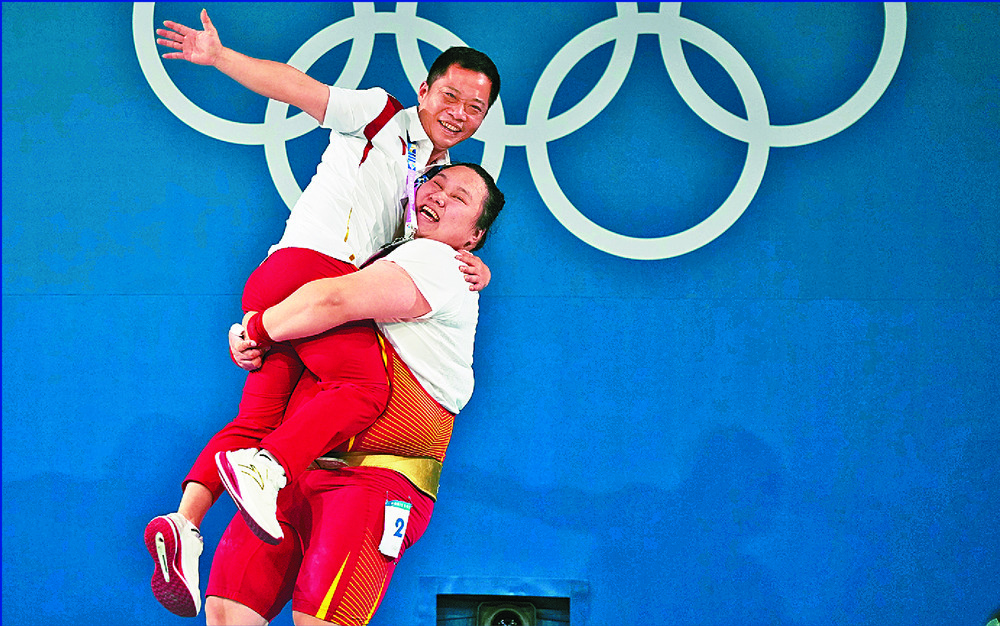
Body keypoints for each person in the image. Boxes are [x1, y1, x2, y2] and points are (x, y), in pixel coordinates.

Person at [144, 8, 501, 618]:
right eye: (450, 96)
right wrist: (219, 58)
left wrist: (480, 266)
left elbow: (437, 252)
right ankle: (268, 471)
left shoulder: (435, 183)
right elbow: (294, 87)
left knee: (259, 419)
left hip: (286, 287)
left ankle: (185, 523)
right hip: (313, 273)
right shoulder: (378, 116)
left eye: (475, 109)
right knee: (361, 388)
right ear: (425, 89)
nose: (459, 114)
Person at [214, 162, 502, 625]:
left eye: (460, 198)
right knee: (229, 614)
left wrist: (254, 327)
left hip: (372, 482)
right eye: (437, 183)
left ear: (473, 239)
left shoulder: (439, 263)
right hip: (293, 469)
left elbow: (330, 302)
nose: (440, 196)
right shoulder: (373, 255)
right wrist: (249, 330)